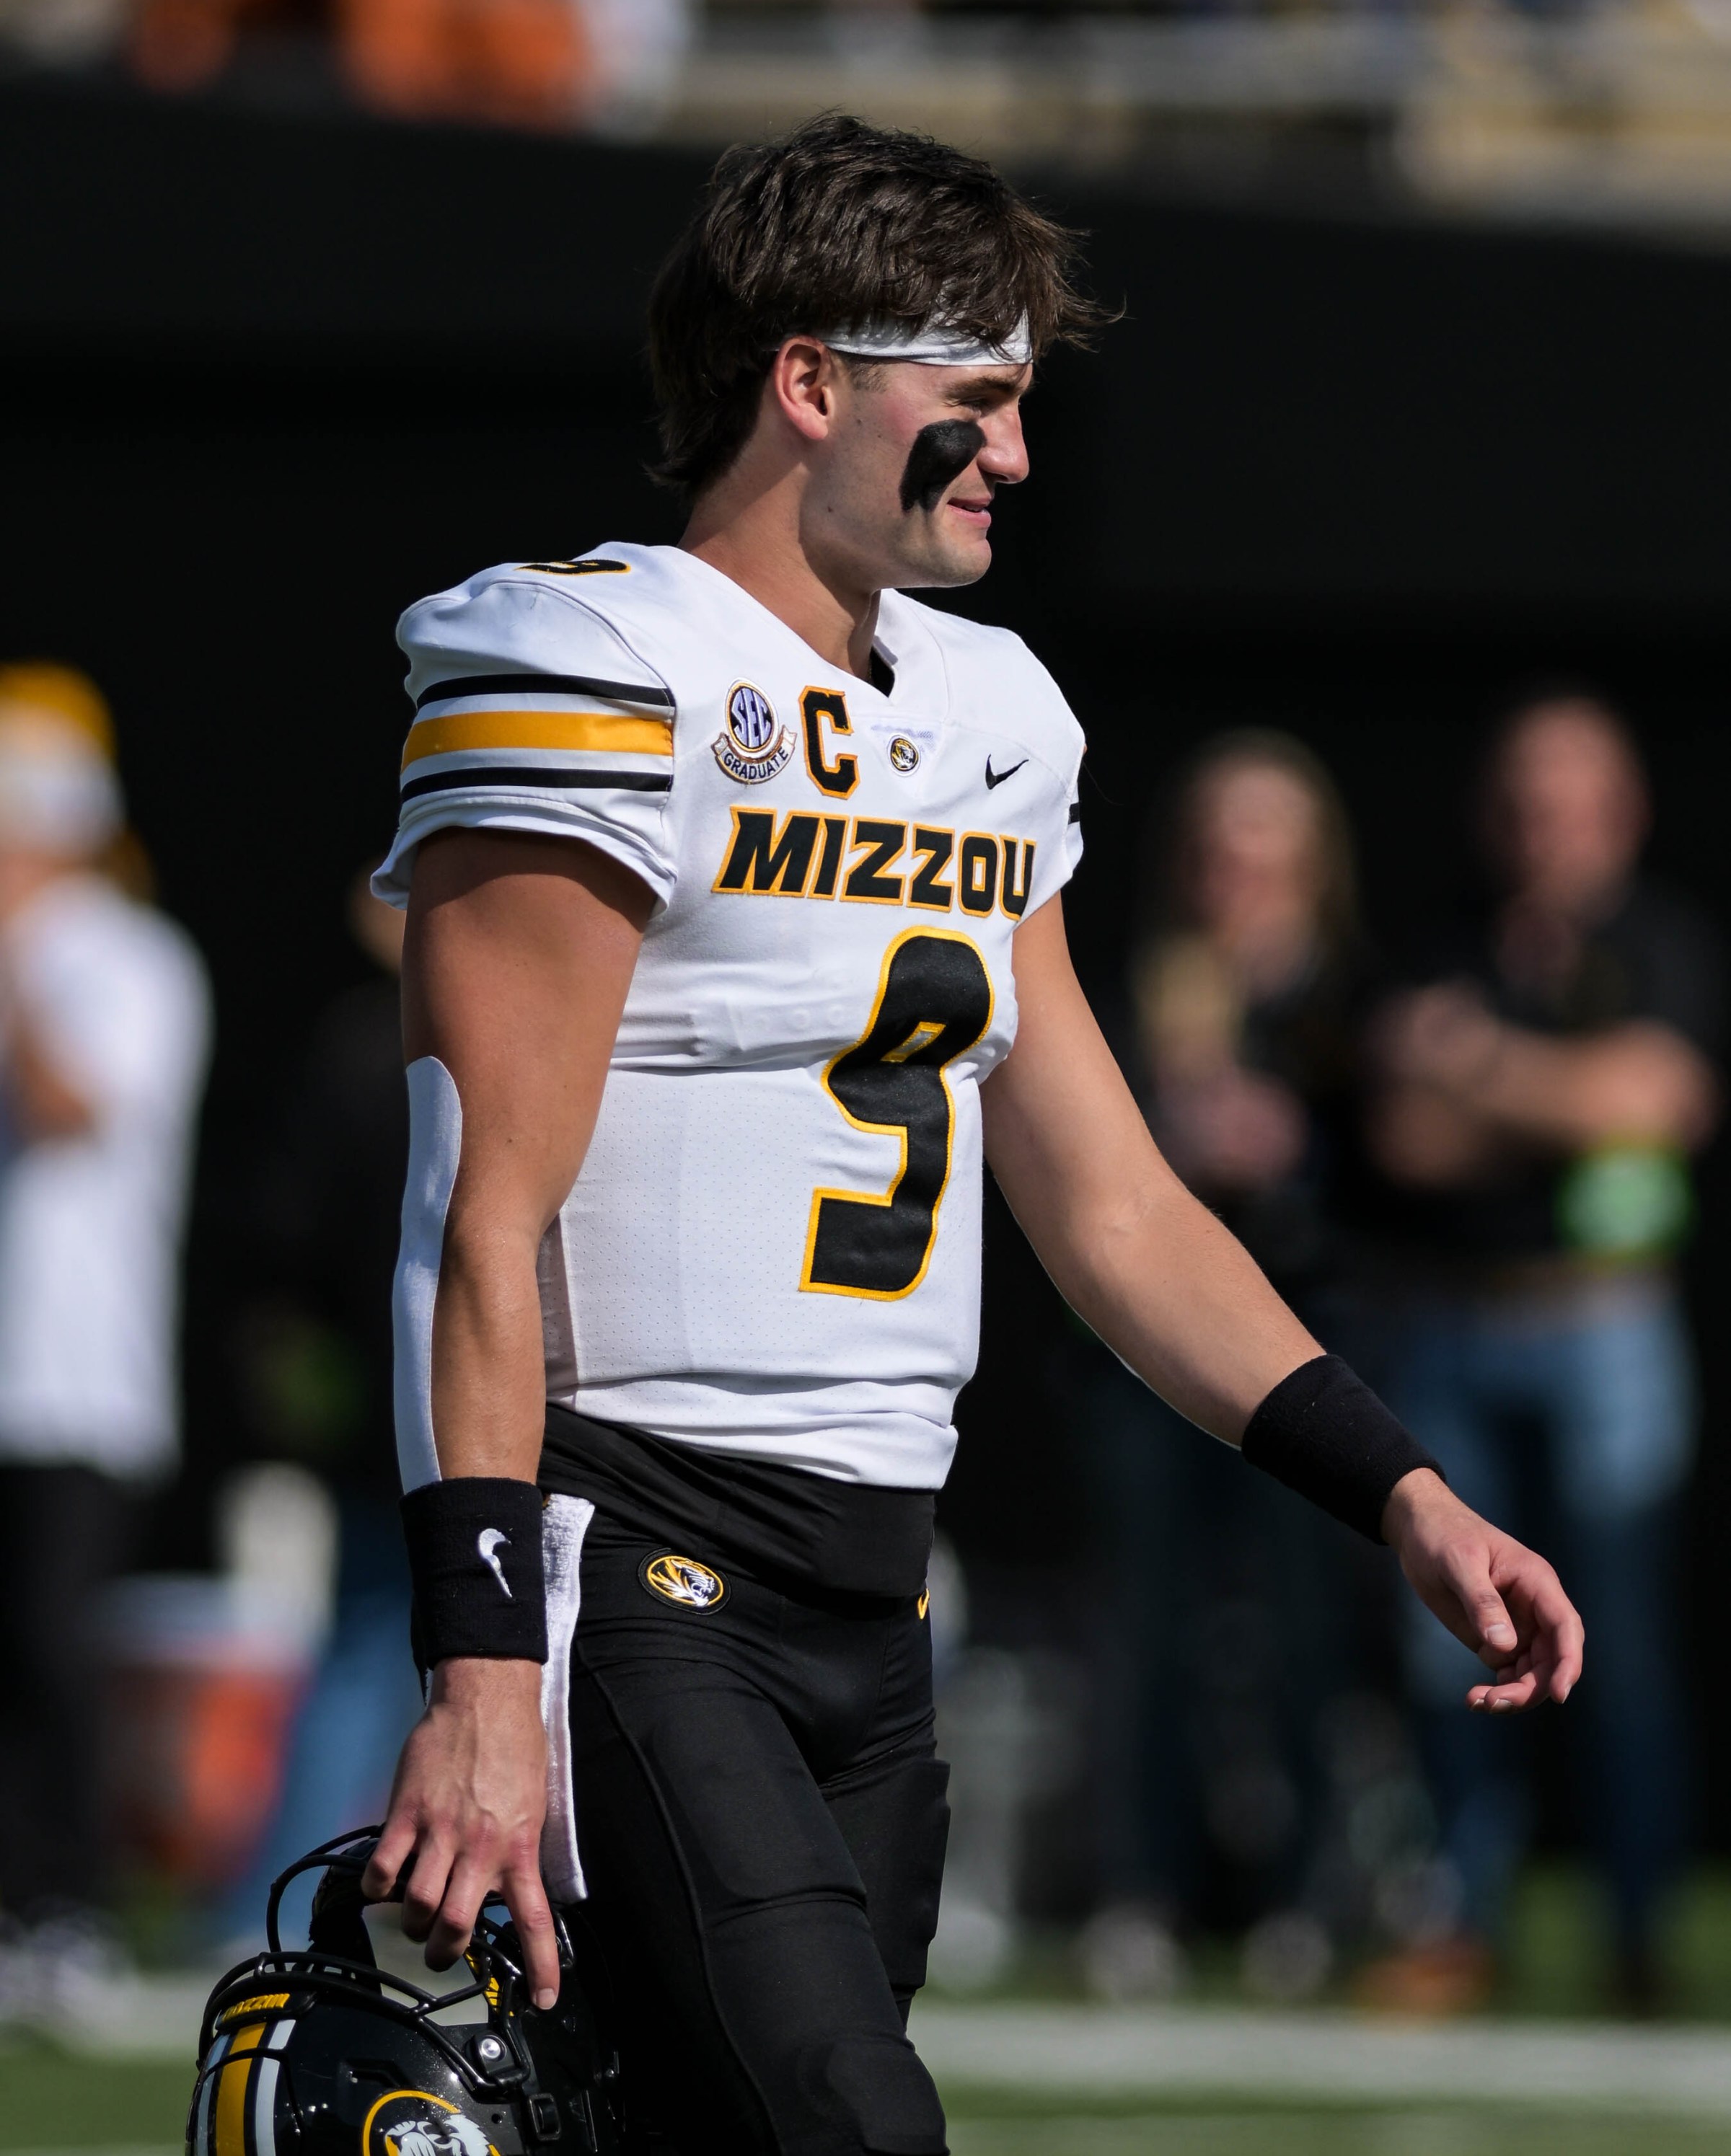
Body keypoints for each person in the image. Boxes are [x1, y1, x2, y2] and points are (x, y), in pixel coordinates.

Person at [363, 116, 1582, 2155]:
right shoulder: (594, 664)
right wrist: (481, 1664)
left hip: (876, 1595)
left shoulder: (990, 714)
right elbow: (475, 1217)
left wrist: (1401, 1490)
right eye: (979, 397)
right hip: (637, 1559)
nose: (1016, 453)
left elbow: (1112, 1203)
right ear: (808, 380)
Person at [1361, 692, 1718, 2016]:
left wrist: (1481, 1065)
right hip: (1457, 1319)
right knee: (1451, 1635)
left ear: (1620, 812)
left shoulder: (1661, 942)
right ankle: (1464, 1915)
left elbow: (1657, 1102)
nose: (1542, 827)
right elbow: (1408, 1140)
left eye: (1567, 803)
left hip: (1605, 1324)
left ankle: (1638, 1928)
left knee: (1621, 1641)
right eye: (1522, 802)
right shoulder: (1443, 940)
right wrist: (1567, 1097)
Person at [1075, 731, 1381, 1998]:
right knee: (1149, 1624)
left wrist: (1297, 1147)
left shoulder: (1352, 1001)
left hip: (1304, 1345)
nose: (1235, 876)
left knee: (1307, 1624)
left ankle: (1307, 1893)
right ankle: (1143, 1887)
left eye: (1263, 851)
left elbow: (1398, 1165)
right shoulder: (1136, 987)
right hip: (1150, 1358)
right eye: (1215, 851)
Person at [0, 664, 210, 1982]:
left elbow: (72, 1108)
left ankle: (67, 1908)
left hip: (76, 1375)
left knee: (50, 1647)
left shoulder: (130, 958)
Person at [213, 865, 423, 1950]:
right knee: (392, 1653)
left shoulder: (359, 1047)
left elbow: (282, 1239)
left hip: (395, 1402)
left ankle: (282, 1906)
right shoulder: (380, 1047)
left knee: (364, 1654)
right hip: (449, 1402)